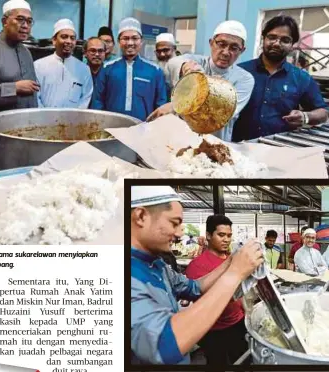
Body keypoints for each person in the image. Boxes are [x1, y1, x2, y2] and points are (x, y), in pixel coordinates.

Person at [131, 186, 264, 365]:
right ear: (141, 217)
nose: (180, 233)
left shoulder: (158, 264)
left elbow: (193, 288)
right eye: (174, 223)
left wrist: (232, 260)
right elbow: (163, 346)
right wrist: (235, 273)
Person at [147, 20, 255, 142]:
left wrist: (177, 106)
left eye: (234, 48)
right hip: (181, 138)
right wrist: (185, 66)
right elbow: (172, 63)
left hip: (214, 142)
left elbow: (222, 112)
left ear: (242, 50)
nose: (225, 52)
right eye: (221, 44)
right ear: (211, 43)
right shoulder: (197, 60)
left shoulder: (244, 79)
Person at [233, 16, 328, 142]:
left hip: (279, 148)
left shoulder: (301, 78)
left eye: (285, 40)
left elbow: (323, 112)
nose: (277, 43)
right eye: (272, 37)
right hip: (238, 147)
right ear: (263, 39)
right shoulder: (239, 71)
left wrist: (305, 116)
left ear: (292, 45)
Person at [185, 215, 247, 365]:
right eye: (221, 235)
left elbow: (241, 291)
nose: (226, 239)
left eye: (229, 235)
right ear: (208, 235)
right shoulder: (197, 266)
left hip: (238, 323)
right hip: (214, 330)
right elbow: (200, 299)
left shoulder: (230, 259)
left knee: (243, 361)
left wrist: (247, 312)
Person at [91, 17, 167, 122]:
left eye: (135, 38)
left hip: (144, 130)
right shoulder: (107, 69)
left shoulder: (155, 71)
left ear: (141, 41)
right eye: (125, 38)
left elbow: (161, 105)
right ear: (118, 41)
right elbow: (97, 102)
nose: (130, 43)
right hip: (112, 130)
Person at [34, 19, 92, 109]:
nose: (69, 41)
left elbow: (86, 98)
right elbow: (35, 97)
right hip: (44, 120)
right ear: (54, 40)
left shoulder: (84, 69)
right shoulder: (38, 66)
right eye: (64, 37)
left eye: (72, 38)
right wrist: (45, 117)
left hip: (74, 121)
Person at [154, 32, 176, 99]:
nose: (162, 54)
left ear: (174, 49)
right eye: (159, 51)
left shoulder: (182, 67)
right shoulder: (155, 69)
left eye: (166, 50)